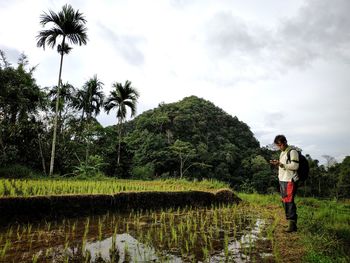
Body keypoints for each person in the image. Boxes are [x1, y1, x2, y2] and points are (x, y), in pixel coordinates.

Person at [270, 135, 299, 232]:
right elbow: (284, 166)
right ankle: (290, 223)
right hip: (282, 179)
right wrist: (278, 164)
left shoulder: (292, 151)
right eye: (278, 145)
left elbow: (295, 166)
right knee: (285, 201)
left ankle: (292, 225)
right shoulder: (282, 153)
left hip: (290, 180)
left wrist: (282, 164)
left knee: (289, 202)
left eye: (280, 144)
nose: (279, 147)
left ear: (285, 142)